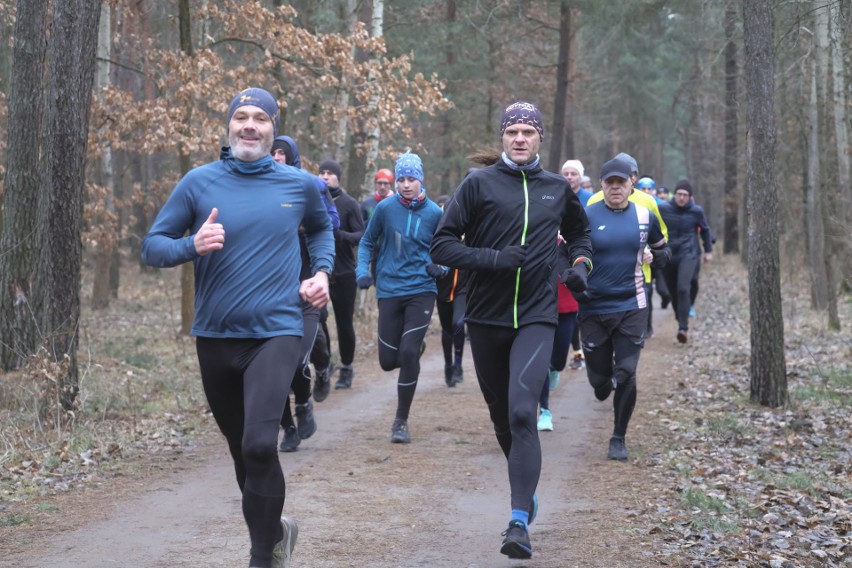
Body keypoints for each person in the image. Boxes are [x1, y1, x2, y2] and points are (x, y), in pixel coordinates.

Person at [141, 87, 334, 568]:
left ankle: (259, 558)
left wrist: (322, 273)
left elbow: (322, 228)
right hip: (216, 337)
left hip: (277, 330)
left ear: (273, 128)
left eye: (260, 118)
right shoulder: (198, 183)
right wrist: (192, 245)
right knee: (242, 456)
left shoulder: (300, 184)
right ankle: (277, 533)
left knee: (258, 444)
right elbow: (152, 247)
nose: (249, 125)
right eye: (241, 117)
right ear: (229, 126)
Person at [431, 101, 592, 560]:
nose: (520, 138)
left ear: (540, 137)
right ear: (502, 137)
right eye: (512, 131)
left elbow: (580, 236)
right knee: (503, 418)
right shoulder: (477, 184)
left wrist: (580, 265)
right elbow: (442, 244)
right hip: (485, 317)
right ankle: (526, 488)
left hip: (538, 316)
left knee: (524, 414)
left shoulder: (557, 189)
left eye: (528, 131)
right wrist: (494, 260)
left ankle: (518, 521)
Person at [578, 157, 669, 462]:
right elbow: (567, 252)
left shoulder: (645, 216)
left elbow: (663, 250)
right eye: (609, 182)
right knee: (599, 379)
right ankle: (603, 382)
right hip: (592, 307)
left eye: (621, 182)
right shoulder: (585, 215)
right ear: (601, 185)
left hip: (632, 304)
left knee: (627, 372)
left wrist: (658, 258)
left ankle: (619, 436)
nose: (616, 188)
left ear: (632, 184)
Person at [355, 151, 443, 443]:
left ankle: (400, 421)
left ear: (421, 180)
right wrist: (362, 272)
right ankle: (413, 350)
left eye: (411, 179)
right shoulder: (385, 209)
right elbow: (367, 242)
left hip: (421, 288)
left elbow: (449, 248)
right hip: (390, 288)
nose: (406, 184)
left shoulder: (435, 213)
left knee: (406, 353)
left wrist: (441, 267)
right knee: (387, 361)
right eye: (402, 179)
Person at [270, 136, 338, 453]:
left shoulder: (310, 186)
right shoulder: (260, 191)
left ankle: (305, 402)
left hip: (308, 287)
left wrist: (300, 224)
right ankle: (288, 428)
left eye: (283, 152)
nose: (277, 157)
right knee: (274, 368)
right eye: (273, 152)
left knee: (299, 359)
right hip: (271, 295)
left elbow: (330, 224)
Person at [588, 153, 669, 339]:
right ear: (602, 181)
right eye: (611, 180)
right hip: (600, 282)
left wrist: (653, 252)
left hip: (640, 274)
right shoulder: (593, 202)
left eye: (626, 177)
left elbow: (661, 235)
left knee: (639, 312)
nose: (616, 185)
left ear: (634, 179)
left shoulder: (648, 201)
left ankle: (641, 334)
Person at [318, 159, 366, 390]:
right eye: (322, 173)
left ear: (339, 177)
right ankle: (326, 363)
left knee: (344, 323)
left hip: (345, 272)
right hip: (319, 272)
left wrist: (341, 236)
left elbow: (361, 235)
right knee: (318, 320)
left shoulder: (348, 204)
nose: (325, 177)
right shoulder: (313, 200)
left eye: (330, 173)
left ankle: (346, 367)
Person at [658, 179, 713, 343]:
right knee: (673, 291)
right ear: (674, 195)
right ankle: (680, 316)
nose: (682, 198)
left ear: (690, 197)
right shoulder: (663, 209)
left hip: (689, 253)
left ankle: (683, 327)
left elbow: (705, 230)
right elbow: (652, 227)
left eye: (685, 195)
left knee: (684, 288)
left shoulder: (696, 211)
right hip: (668, 255)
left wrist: (708, 250)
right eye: (679, 194)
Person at [537, 233, 580, 432]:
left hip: (567, 307)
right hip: (539, 308)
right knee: (541, 362)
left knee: (559, 360)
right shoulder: (533, 236)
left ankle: (555, 368)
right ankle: (544, 411)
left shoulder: (570, 240)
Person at [560, 159, 592, 371]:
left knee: (580, 306)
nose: (570, 177)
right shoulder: (554, 194)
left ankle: (585, 348)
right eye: (566, 173)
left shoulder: (590, 200)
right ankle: (574, 352)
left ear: (581, 177)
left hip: (583, 254)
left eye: (574, 173)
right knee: (568, 306)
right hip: (560, 254)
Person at [434, 194, 467, 387]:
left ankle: (458, 365)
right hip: (443, 288)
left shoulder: (466, 231)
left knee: (458, 323)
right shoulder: (437, 234)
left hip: (463, 287)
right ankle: (448, 365)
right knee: (447, 329)